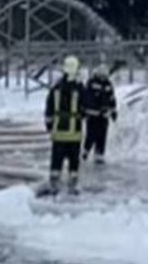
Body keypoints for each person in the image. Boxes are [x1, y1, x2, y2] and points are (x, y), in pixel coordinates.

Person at [43, 55, 85, 194]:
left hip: (58, 133)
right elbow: (86, 108)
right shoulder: (79, 88)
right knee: (74, 162)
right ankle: (73, 184)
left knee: (56, 161)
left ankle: (54, 183)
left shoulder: (56, 88)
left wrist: (49, 126)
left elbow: (49, 109)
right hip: (74, 134)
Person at [82, 64, 117, 165]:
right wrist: (87, 110)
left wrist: (113, 111)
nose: (103, 78)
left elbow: (112, 98)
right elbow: (87, 99)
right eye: (102, 76)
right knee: (91, 135)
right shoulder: (92, 83)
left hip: (104, 116)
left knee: (102, 137)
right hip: (93, 115)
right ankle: (85, 153)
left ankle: (99, 155)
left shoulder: (108, 84)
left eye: (105, 76)